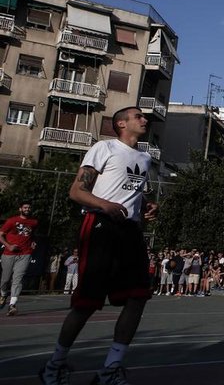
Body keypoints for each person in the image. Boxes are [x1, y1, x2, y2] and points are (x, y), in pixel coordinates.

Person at [39, 107, 159, 385]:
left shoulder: (145, 158)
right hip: (101, 226)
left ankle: (110, 369)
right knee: (87, 302)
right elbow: (76, 191)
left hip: (131, 231)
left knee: (138, 297)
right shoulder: (104, 148)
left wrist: (147, 208)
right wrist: (105, 204)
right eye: (138, 116)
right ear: (121, 123)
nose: (144, 119)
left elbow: (131, 196)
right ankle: (54, 365)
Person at [0, 201, 38, 316]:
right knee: (5, 279)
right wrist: (9, 246)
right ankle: (3, 294)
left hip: (25, 254)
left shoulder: (34, 222)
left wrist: (33, 242)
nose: (27, 209)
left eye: (29, 207)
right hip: (9, 254)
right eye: (25, 207)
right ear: (20, 209)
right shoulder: (11, 221)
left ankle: (12, 305)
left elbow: (32, 235)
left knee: (18, 279)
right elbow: (0, 234)